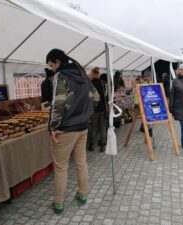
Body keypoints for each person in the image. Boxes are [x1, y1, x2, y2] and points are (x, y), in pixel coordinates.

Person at [47, 49, 99, 214]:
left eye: (51, 65)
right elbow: (96, 97)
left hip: (66, 129)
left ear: (57, 62)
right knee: (81, 163)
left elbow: (58, 104)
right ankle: (83, 195)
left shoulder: (60, 77)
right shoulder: (83, 74)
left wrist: (53, 127)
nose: (51, 69)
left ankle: (59, 204)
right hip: (83, 127)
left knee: (61, 167)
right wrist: (85, 114)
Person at [87, 68, 108, 152]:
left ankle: (91, 144)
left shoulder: (90, 84)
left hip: (94, 109)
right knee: (102, 126)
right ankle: (103, 144)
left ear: (92, 74)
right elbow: (106, 95)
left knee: (93, 127)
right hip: (103, 108)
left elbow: (89, 97)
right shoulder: (103, 83)